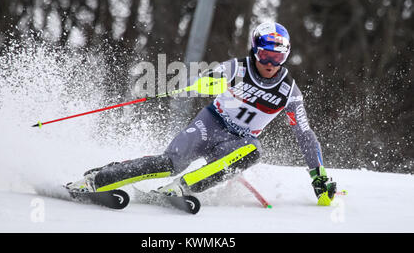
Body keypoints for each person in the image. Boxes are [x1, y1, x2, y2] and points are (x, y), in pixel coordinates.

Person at [66, 21, 337, 206]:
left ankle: (183, 187)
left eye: (278, 58)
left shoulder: (289, 92)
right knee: (169, 163)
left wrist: (319, 176)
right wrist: (204, 83)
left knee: (254, 149)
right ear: (255, 51)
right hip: (210, 124)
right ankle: (98, 179)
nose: (270, 64)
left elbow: (304, 133)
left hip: (235, 145)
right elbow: (213, 76)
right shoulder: (239, 68)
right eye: (265, 55)